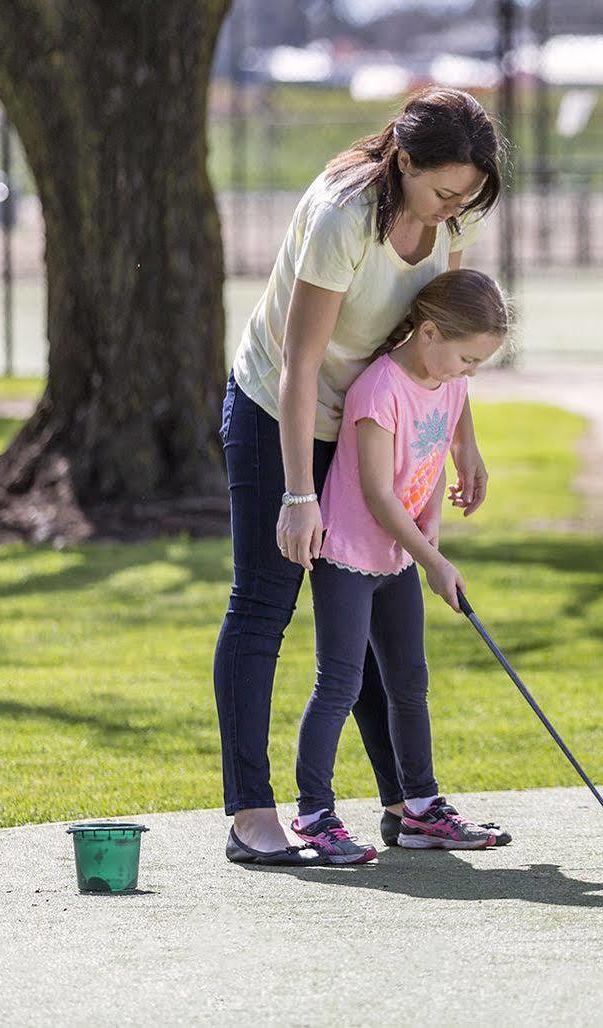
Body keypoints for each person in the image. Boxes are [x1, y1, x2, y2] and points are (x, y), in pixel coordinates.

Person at [214, 86, 506, 866]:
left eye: (467, 196)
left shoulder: (446, 219)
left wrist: (462, 444)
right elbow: (302, 360)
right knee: (263, 606)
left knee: (370, 596)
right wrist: (298, 494)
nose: (453, 208)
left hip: (361, 420)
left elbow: (441, 339)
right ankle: (252, 814)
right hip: (280, 412)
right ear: (405, 160)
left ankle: (408, 807)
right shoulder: (346, 216)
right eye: (443, 190)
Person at [291, 270, 512, 862]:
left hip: (398, 554)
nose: (467, 372)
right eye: (465, 358)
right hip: (348, 554)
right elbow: (377, 493)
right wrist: (432, 559)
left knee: (409, 684)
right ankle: (314, 814)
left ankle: (420, 810)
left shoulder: (448, 385)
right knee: (339, 683)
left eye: (476, 365)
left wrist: (432, 526)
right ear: (430, 331)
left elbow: (431, 461)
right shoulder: (379, 389)